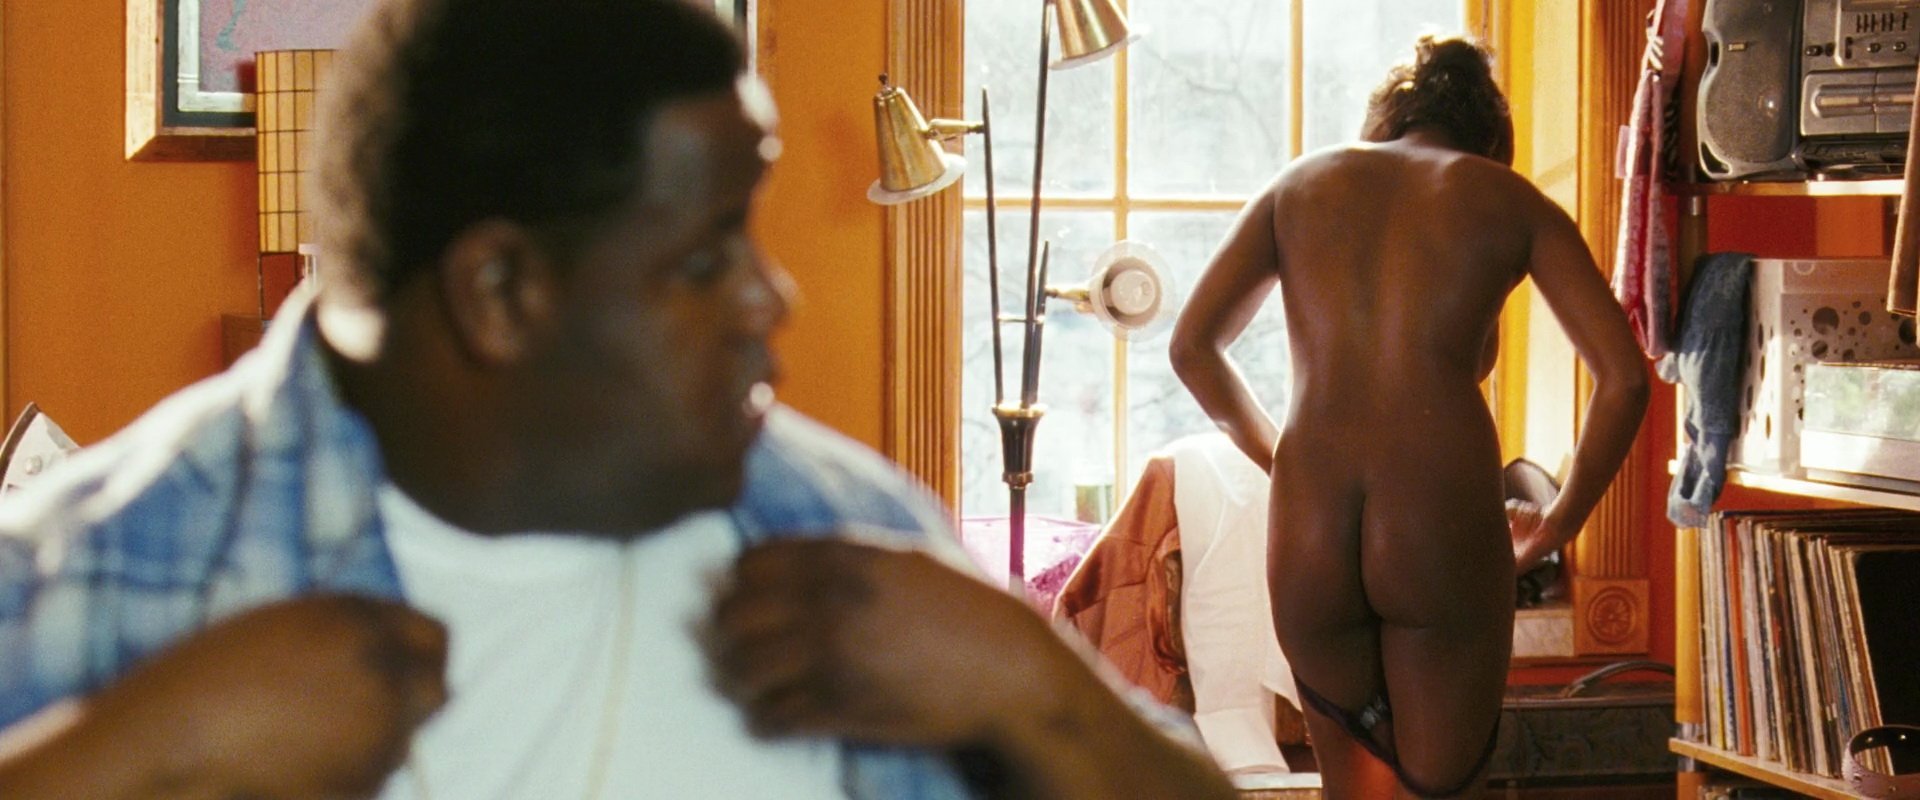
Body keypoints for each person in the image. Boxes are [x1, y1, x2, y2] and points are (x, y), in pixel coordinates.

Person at [0, 0, 1238, 798]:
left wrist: (1039, 693)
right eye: (703, 257)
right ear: (499, 292)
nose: (772, 295)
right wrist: (129, 760)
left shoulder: (845, 532)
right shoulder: (96, 578)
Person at [1170, 35, 1649, 800]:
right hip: (1436, 519)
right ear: (1490, 136)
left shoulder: (1299, 185)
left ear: (1388, 117)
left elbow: (1193, 347)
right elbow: (1623, 380)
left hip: (1308, 526)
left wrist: (1285, 461)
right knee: (1441, 792)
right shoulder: (1508, 198)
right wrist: (1559, 522)